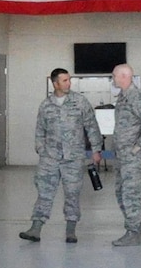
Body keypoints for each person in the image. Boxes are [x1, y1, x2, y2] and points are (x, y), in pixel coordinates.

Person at [20, 68, 100, 244]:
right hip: (50, 157)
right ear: (55, 83)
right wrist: (41, 149)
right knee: (44, 192)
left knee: (72, 193)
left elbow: (91, 126)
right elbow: (40, 129)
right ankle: (36, 228)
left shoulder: (80, 102)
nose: (68, 83)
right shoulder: (46, 105)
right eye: (64, 81)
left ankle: (71, 229)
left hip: (73, 157)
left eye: (69, 80)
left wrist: (96, 149)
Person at [108, 64, 141, 248]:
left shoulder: (137, 98)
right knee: (121, 193)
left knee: (130, 194)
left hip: (131, 157)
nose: (113, 79)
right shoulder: (122, 98)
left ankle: (133, 232)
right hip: (121, 156)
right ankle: (133, 229)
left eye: (115, 76)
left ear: (124, 76)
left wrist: (138, 146)